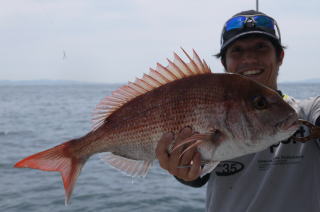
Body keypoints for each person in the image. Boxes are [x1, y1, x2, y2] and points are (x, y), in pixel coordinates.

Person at [156, 10, 320, 212]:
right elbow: (197, 176)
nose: (250, 58)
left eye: (261, 47)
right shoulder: (214, 113)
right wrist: (183, 171)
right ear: (224, 63)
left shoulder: (308, 111)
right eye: (237, 50)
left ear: (280, 56)